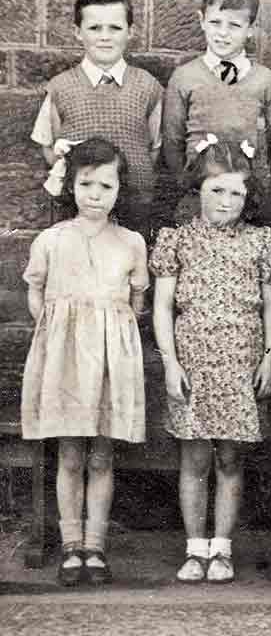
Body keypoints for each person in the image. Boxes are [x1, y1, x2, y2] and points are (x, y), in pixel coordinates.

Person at [22, 138, 148, 586]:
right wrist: (60, 333)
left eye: (106, 186)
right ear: (71, 185)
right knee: (70, 454)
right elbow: (36, 290)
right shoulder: (52, 240)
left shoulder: (131, 242)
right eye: (86, 184)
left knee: (101, 456)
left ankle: (96, 546)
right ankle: (70, 545)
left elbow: (136, 300)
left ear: (119, 190)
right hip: (65, 360)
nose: (95, 194)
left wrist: (111, 337)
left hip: (110, 362)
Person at [151, 138, 271, 585]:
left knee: (230, 459)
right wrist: (170, 363)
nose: (226, 201)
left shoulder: (260, 241)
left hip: (240, 362)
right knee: (195, 459)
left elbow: (268, 305)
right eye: (217, 190)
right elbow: (163, 307)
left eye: (236, 193)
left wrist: (268, 357)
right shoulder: (176, 240)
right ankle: (194, 547)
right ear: (198, 189)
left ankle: (222, 548)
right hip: (193, 362)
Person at [31, 0, 162, 238]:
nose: (105, 36)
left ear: (130, 31)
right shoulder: (61, 87)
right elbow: (49, 145)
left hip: (133, 205)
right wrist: (80, 176)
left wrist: (129, 178)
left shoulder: (148, 86)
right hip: (78, 207)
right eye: (94, 28)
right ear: (78, 32)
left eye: (115, 28)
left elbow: (154, 147)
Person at [162, 0, 271, 226]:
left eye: (234, 25)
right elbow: (172, 140)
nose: (223, 33)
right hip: (199, 199)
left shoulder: (264, 80)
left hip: (249, 200)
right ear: (201, 21)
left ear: (250, 28)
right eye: (215, 22)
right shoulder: (185, 77)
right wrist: (188, 183)